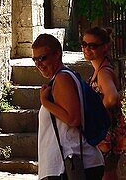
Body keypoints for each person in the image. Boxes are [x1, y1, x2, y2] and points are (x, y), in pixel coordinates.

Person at [32, 33, 104, 180]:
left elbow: (73, 119)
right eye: (35, 60)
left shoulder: (62, 78)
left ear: (57, 53)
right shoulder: (62, 78)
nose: (39, 64)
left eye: (42, 58)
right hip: (66, 166)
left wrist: (45, 103)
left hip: (71, 165)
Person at [81, 26, 126, 180]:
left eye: (92, 46)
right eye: (84, 44)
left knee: (107, 175)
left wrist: (94, 115)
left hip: (106, 134)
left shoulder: (103, 72)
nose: (87, 49)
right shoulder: (100, 69)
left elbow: (112, 97)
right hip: (106, 132)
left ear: (105, 47)